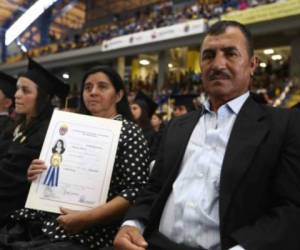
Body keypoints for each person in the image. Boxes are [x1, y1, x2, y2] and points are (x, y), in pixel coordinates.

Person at [113, 20, 300, 250]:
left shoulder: (285, 125)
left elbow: (291, 209)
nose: (218, 64)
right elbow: (154, 188)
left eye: (231, 54)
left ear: (252, 64)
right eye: (209, 56)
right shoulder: (175, 127)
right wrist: (132, 223)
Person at [0, 66, 150, 250]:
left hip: (92, 230)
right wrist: (37, 172)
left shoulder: (129, 132)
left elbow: (135, 191)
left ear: (118, 96)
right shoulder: (69, 127)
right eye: (87, 87)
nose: (93, 92)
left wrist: (88, 218)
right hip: (45, 218)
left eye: (102, 87)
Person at [0, 57, 69, 226]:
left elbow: (14, 177)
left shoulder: (48, 132)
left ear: (43, 97)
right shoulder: (18, 125)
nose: (17, 95)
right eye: (17, 89)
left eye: (26, 91)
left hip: (18, 210)